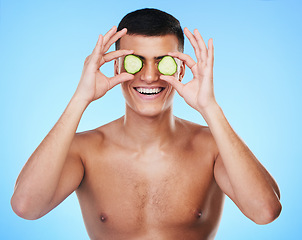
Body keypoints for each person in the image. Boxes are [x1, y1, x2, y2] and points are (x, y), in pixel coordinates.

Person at [11, 8, 281, 240]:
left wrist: (210, 108)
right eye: (135, 61)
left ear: (181, 69)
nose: (150, 76)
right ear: (117, 68)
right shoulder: (83, 150)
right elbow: (26, 207)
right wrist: (80, 98)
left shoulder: (212, 146)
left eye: (163, 62)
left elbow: (265, 211)